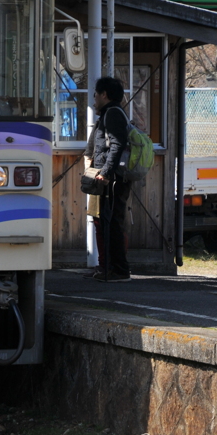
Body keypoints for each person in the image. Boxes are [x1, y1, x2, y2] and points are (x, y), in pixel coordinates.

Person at [83, 76, 131, 282]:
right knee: (103, 222)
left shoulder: (112, 114)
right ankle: (107, 267)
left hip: (111, 179)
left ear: (104, 94)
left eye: (95, 93)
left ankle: (118, 270)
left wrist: (106, 172)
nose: (93, 98)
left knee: (112, 223)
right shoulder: (108, 113)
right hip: (106, 176)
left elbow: (117, 145)